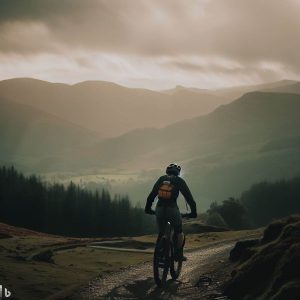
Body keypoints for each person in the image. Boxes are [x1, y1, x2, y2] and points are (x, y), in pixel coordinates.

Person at [145, 163, 197, 261]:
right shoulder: (179, 180)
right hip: (172, 210)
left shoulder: (161, 179)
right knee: (179, 231)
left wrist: (148, 209)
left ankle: (160, 253)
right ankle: (178, 254)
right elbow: (189, 198)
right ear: (178, 172)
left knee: (162, 231)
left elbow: (151, 196)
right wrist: (193, 212)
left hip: (159, 210)